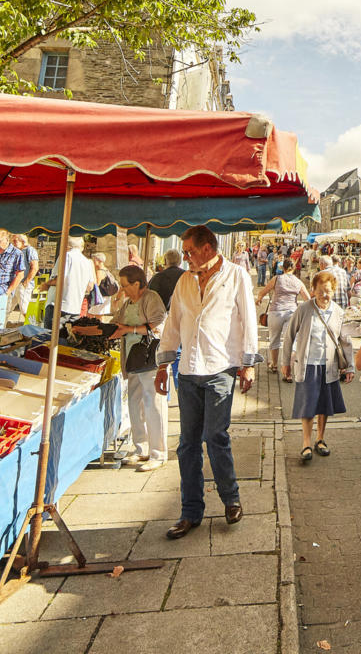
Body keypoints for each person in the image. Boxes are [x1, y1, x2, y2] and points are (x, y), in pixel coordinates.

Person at [155, 225, 260, 539]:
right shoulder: (185, 281)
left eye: (188, 251)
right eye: (184, 252)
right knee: (187, 445)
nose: (185, 256)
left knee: (215, 436)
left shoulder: (236, 275)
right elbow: (173, 323)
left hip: (220, 369)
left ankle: (230, 498)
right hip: (187, 371)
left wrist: (248, 364)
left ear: (208, 248)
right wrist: (163, 364)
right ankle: (190, 512)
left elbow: (248, 321)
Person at [282, 270, 354, 462]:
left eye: (328, 291)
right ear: (313, 290)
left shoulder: (338, 312)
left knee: (324, 404)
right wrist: (285, 362)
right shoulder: (304, 309)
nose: (324, 295)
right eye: (321, 291)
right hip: (308, 364)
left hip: (329, 365)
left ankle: (320, 439)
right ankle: (306, 442)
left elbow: (345, 341)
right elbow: (289, 336)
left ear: (334, 291)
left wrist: (351, 366)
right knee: (308, 405)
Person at [110, 265, 168, 472]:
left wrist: (130, 329)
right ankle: (140, 447)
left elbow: (159, 324)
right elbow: (116, 322)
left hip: (150, 358)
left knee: (153, 404)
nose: (123, 289)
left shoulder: (151, 298)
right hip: (133, 359)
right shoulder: (128, 303)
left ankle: (158, 453)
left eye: (125, 285)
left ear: (137, 283)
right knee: (135, 403)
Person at [255, 258, 309, 373]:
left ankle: (274, 365)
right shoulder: (298, 282)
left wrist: (259, 299)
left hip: (275, 312)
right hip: (292, 313)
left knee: (274, 339)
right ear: (294, 268)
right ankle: (287, 370)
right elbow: (307, 299)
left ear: (282, 268)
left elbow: (263, 291)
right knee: (290, 341)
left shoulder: (277, 279)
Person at [41, 236, 94, 330]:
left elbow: (59, 280)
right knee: (66, 340)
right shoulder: (87, 262)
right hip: (75, 307)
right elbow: (90, 286)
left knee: (51, 338)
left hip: (58, 305)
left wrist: (46, 284)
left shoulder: (66, 256)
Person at [11, 234, 39, 316]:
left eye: (15, 241)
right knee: (7, 308)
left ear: (23, 241)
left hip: (23, 284)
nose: (13, 243)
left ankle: (30, 326)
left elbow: (35, 267)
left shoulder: (30, 250)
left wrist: (26, 282)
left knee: (25, 309)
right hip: (15, 284)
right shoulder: (17, 251)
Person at [0, 229, 24, 300]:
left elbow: (20, 275)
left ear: (6, 239)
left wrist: (8, 292)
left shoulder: (17, 253)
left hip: (3, 293)